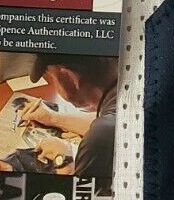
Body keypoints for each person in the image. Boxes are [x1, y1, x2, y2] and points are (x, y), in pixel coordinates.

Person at [15, 57, 117, 190]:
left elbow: (78, 198)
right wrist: (51, 118)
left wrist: (64, 161)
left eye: (53, 78)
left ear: (71, 78)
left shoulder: (101, 135)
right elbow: (105, 123)